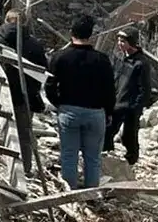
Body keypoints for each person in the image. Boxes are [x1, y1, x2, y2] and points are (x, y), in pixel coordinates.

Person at [45, 15, 113, 188]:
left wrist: (59, 104)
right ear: (91, 35)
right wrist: (109, 112)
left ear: (71, 33)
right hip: (95, 113)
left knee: (69, 155)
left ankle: (69, 194)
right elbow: (110, 90)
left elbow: (49, 86)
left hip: (69, 111)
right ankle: (91, 193)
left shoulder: (60, 57)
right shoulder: (102, 59)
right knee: (93, 158)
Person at [0, 8, 48, 174]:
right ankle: (25, 169)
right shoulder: (34, 45)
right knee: (23, 135)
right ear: (25, 23)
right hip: (24, 97)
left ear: (6, 20)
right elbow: (43, 72)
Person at [106, 28, 154, 165]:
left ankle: (131, 160)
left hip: (131, 105)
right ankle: (106, 156)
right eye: (118, 40)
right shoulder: (119, 57)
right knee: (108, 131)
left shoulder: (141, 63)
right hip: (117, 102)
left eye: (123, 41)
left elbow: (145, 89)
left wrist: (136, 106)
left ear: (131, 42)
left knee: (129, 135)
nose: (119, 44)